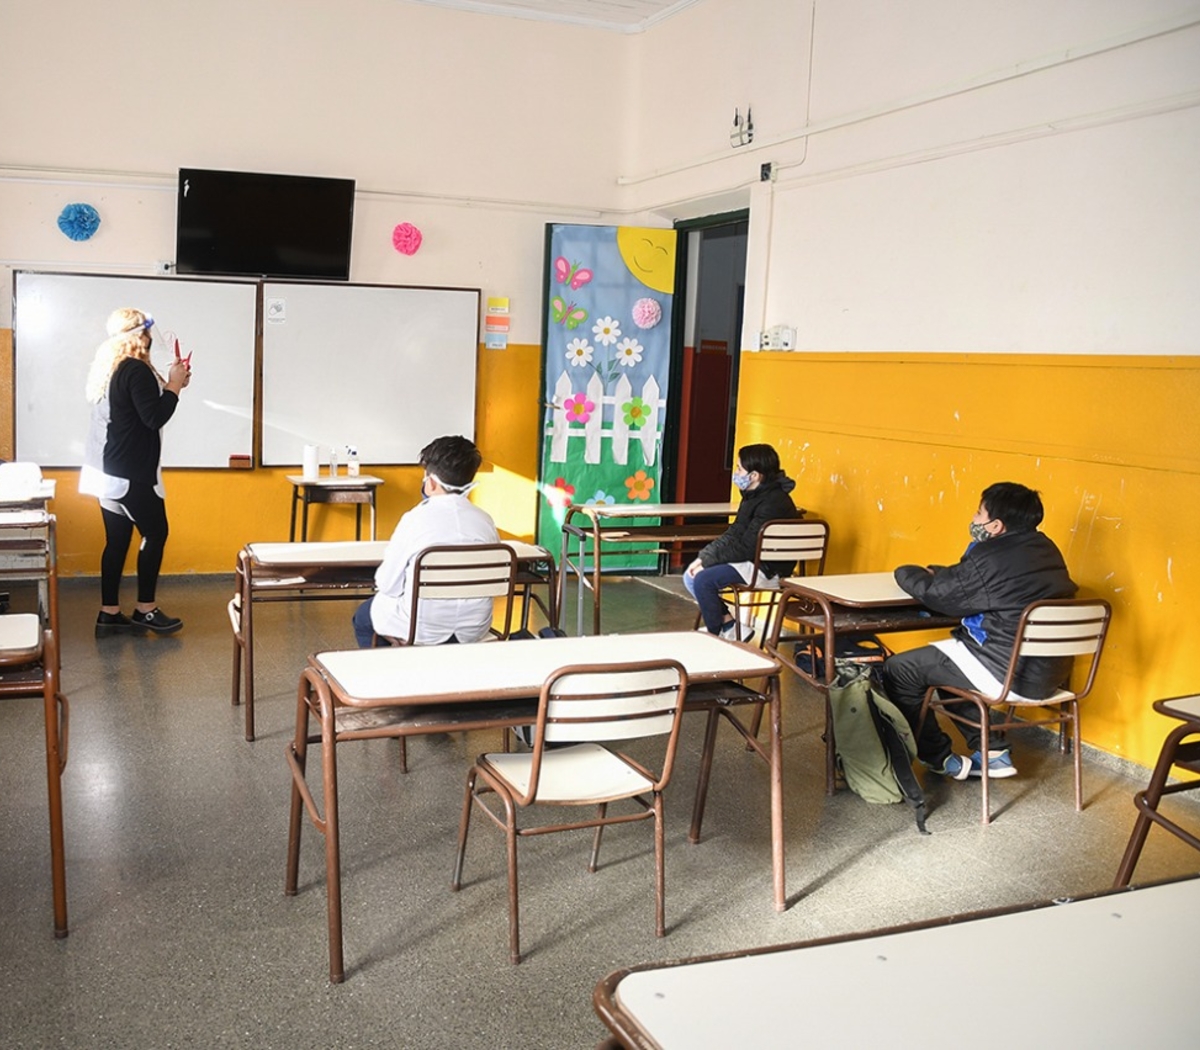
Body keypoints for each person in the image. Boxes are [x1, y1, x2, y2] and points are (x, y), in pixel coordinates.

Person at [882, 481, 1078, 781]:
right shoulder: (1045, 549)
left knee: (900, 669)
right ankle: (993, 753)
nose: (974, 519)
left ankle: (937, 757)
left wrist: (904, 571)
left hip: (1006, 671)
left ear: (996, 525)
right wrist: (946, 572)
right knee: (943, 664)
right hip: (1049, 674)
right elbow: (976, 582)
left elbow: (939, 596)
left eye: (978, 513)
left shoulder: (989, 557)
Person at [81, 308, 190, 637]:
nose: (150, 339)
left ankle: (109, 613)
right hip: (128, 472)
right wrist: (174, 386)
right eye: (147, 333)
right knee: (155, 533)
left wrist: (172, 384)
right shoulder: (136, 370)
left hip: (105, 470)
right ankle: (145, 609)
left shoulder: (111, 366)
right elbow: (154, 417)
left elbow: (142, 411)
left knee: (116, 541)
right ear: (138, 336)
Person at [352, 435, 499, 647]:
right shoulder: (485, 520)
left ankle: (385, 675)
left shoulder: (414, 519)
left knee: (364, 618)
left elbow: (387, 584)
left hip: (420, 626)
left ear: (430, 482)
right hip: (473, 627)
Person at [683, 443, 800, 642]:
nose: (735, 473)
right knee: (690, 575)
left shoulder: (773, 503)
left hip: (768, 569)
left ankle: (714, 635)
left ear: (755, 475)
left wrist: (707, 562)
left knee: (703, 580)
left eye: (739, 468)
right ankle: (729, 626)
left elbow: (746, 547)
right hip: (754, 561)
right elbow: (734, 533)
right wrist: (704, 558)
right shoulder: (754, 496)